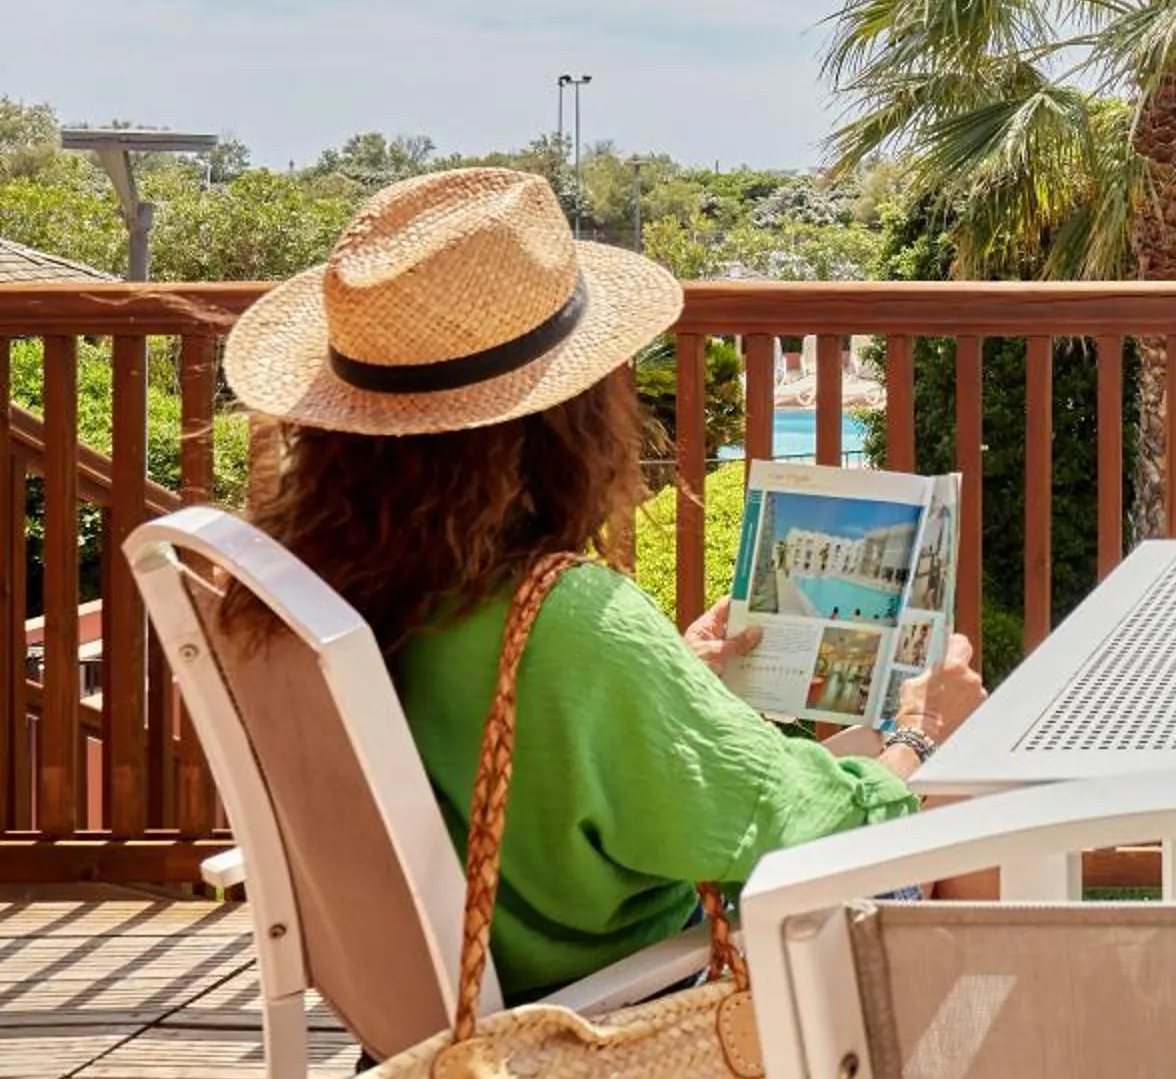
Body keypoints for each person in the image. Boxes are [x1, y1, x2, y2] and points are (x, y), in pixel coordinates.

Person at [222, 167, 988, 1003]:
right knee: (967, 805)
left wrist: (671, 681)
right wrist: (925, 735)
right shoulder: (564, 619)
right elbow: (818, 826)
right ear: (568, 416)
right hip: (616, 1006)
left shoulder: (329, 588)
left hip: (447, 999)